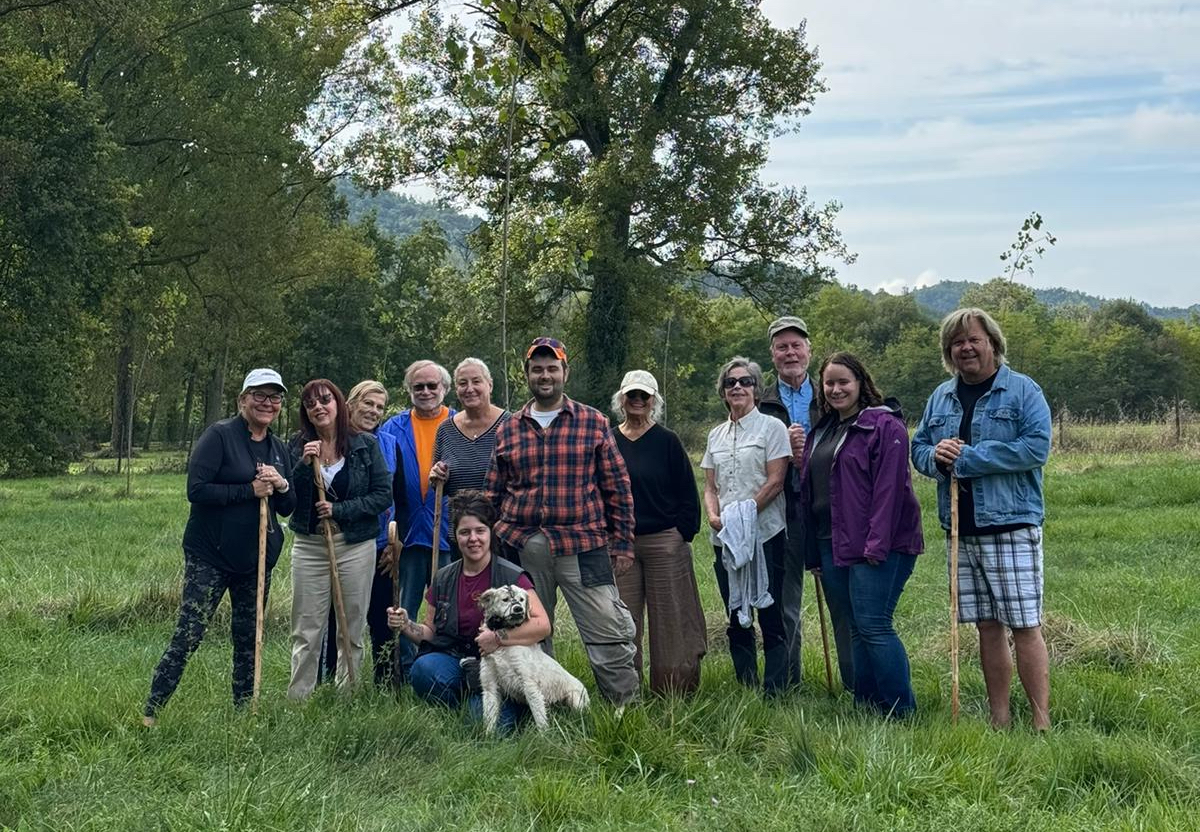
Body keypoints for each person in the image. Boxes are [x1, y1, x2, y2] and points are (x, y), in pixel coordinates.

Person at [912, 307, 1052, 730]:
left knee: (1024, 625)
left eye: (973, 339)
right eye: (957, 342)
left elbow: (1035, 448)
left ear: (993, 343)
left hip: (1009, 525)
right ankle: (1000, 720)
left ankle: (1041, 723)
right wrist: (935, 457)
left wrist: (970, 458)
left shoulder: (1023, 391)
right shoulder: (942, 397)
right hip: (960, 529)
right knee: (986, 627)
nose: (965, 348)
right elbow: (918, 447)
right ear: (948, 351)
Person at [485, 336, 640, 706]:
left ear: (565, 372)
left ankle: (623, 707)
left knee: (608, 629)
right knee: (527, 632)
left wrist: (621, 544)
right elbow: (494, 492)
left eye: (552, 368)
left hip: (583, 544)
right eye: (537, 369)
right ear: (526, 374)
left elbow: (617, 488)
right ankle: (542, 707)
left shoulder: (593, 422)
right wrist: (492, 541)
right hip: (523, 546)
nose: (545, 375)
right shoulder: (508, 428)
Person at [143, 369, 295, 725]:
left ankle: (245, 714)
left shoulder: (278, 448)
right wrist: (248, 491)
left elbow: (288, 508)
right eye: (259, 395)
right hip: (210, 555)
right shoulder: (220, 436)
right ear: (242, 399)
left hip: (256, 560)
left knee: (249, 639)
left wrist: (283, 485)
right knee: (190, 633)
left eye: (274, 397)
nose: (267, 403)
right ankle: (151, 712)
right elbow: (196, 490)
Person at [798, 352, 923, 718]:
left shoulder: (885, 427)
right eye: (829, 383)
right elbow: (813, 491)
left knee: (874, 624)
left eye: (843, 382)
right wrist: (813, 554)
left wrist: (876, 545)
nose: (836, 389)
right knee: (854, 627)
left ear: (860, 383)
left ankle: (901, 711)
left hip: (878, 544)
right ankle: (867, 706)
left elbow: (890, 492)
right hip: (831, 542)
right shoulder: (823, 429)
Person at [387, 491, 549, 731]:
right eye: (465, 532)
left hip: (504, 668)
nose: (473, 539)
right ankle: (469, 699)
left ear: (490, 533)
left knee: (482, 729)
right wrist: (405, 625)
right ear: (455, 536)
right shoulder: (443, 577)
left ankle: (508, 704)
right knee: (423, 670)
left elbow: (543, 625)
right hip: (461, 662)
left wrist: (497, 639)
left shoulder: (512, 576)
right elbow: (430, 631)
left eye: (480, 531)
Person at [759, 315, 852, 691]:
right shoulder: (760, 401)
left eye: (796, 345)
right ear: (772, 354)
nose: (790, 352)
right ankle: (787, 684)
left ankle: (855, 684)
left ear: (809, 350)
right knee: (785, 602)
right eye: (782, 346)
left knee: (842, 600)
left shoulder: (831, 394)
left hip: (829, 511)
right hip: (782, 510)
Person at [286, 379, 391, 699]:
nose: (318, 407)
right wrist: (304, 466)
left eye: (324, 400)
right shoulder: (297, 444)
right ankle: (299, 699)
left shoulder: (364, 445)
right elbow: (287, 497)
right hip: (310, 545)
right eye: (310, 403)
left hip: (355, 544)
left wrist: (339, 509)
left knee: (351, 625)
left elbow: (382, 495)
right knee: (307, 628)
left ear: (339, 403)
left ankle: (348, 694)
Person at [609, 370, 706, 695]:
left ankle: (673, 693)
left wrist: (681, 533)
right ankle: (626, 694)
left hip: (665, 540)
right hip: (621, 544)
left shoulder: (668, 440)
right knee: (623, 623)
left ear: (654, 401)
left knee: (672, 622)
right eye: (631, 395)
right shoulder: (608, 440)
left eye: (644, 396)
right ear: (621, 399)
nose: (637, 401)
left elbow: (687, 493)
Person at [701, 357, 791, 695]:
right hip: (724, 537)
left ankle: (776, 688)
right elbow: (711, 486)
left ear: (756, 388)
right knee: (735, 609)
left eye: (745, 381)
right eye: (730, 383)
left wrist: (744, 515)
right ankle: (746, 683)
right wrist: (714, 516)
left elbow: (776, 480)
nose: (737, 387)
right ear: (723, 393)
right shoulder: (715, 435)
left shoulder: (772, 428)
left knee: (770, 610)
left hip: (765, 533)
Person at [377, 360, 455, 677]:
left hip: (449, 531)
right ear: (409, 391)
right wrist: (388, 538)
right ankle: (406, 669)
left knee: (447, 605)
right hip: (407, 534)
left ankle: (446, 663)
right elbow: (384, 487)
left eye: (432, 386)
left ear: (444, 389)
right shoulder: (392, 429)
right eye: (418, 387)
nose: (425, 392)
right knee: (403, 604)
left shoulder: (458, 424)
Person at [319, 380, 395, 686]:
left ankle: (386, 683)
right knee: (337, 618)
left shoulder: (389, 443)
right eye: (368, 403)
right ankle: (332, 681)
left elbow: (396, 496)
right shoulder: (332, 441)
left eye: (379, 407)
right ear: (350, 403)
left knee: (382, 615)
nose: (374, 411)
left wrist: (394, 539)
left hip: (380, 543)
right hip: (341, 542)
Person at [429, 357, 510, 504]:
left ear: (490, 385)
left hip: (502, 523)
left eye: (476, 381)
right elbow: (438, 485)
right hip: (460, 525)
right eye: (463, 383)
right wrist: (437, 476)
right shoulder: (445, 430)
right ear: (456, 389)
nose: (470, 388)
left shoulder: (510, 424)